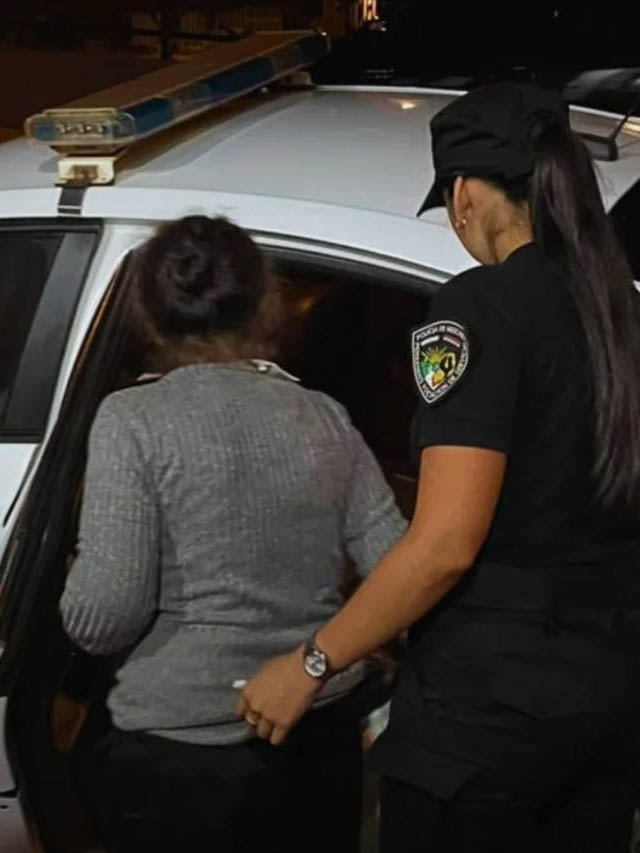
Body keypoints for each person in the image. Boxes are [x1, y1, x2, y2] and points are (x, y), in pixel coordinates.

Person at [235, 83, 640, 852]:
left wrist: (312, 661)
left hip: (492, 711)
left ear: (465, 194)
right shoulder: (618, 309)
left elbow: (446, 543)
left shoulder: (479, 307)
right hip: (611, 695)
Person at [59, 215, 406, 853]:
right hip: (314, 739)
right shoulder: (323, 416)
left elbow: (103, 618)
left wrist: (77, 568)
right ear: (265, 302)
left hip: (179, 757)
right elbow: (398, 566)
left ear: (147, 311)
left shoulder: (132, 419)